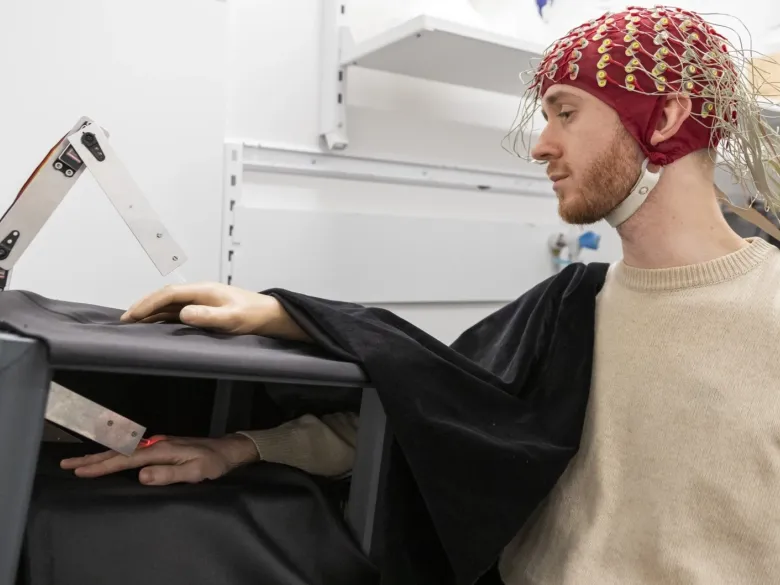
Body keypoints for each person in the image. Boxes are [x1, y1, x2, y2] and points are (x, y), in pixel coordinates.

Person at [62, 5, 780, 584]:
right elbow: (441, 416)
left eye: (565, 112)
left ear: (664, 118)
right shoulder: (568, 309)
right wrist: (244, 445)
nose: (540, 144)